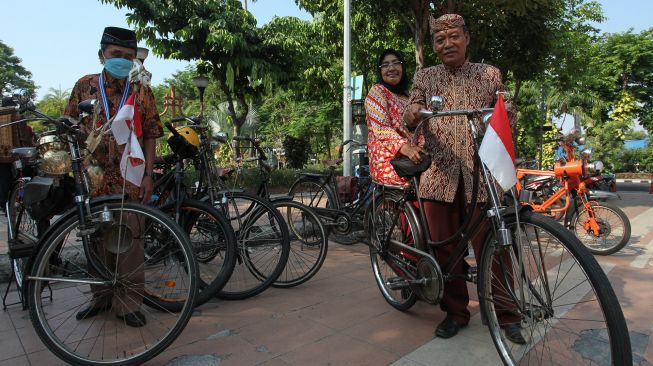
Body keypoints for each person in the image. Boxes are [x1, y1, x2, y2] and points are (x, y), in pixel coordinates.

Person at [403, 14, 525, 344]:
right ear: (433, 46)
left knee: (495, 247)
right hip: (439, 178)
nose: (447, 44)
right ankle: (456, 312)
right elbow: (409, 112)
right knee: (445, 251)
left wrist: (504, 108)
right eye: (440, 40)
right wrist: (412, 112)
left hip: (481, 178)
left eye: (454, 37)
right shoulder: (425, 77)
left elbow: (507, 109)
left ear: (466, 38)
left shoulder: (489, 74)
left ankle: (508, 315)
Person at [64, 26, 163, 327]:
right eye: (115, 55)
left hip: (130, 178)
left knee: (129, 241)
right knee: (95, 240)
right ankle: (100, 298)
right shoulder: (84, 85)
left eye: (128, 57)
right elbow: (68, 122)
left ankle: (129, 303)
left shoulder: (141, 91)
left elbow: (151, 135)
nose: (121, 61)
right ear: (102, 54)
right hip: (93, 177)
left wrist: (148, 174)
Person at [365, 49, 425, 187]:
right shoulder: (377, 92)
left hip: (411, 157)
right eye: (385, 65)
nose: (391, 68)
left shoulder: (407, 97)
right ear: (380, 71)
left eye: (396, 63)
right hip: (388, 162)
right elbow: (382, 129)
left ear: (402, 67)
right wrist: (407, 149)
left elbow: (418, 129)